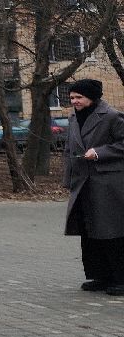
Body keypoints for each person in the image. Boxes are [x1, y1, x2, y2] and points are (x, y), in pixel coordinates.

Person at [62, 78, 124, 295]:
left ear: (92, 97)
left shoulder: (112, 116)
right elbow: (69, 149)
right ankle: (100, 276)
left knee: (112, 231)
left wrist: (100, 152)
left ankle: (120, 279)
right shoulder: (72, 117)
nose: (74, 101)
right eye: (71, 97)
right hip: (83, 183)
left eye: (79, 97)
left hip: (108, 184)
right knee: (89, 231)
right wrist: (68, 180)